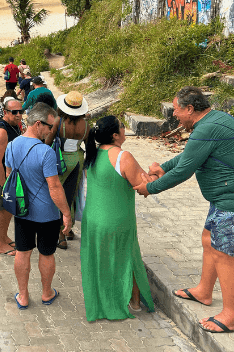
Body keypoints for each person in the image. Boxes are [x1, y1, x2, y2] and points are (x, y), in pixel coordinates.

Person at [134, 86, 234, 333]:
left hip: (229, 201)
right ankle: (204, 291)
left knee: (223, 254)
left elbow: (184, 171)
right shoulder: (215, 119)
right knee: (208, 240)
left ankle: (230, 315)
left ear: (190, 109)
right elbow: (191, 155)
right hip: (221, 198)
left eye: (177, 110)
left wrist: (150, 188)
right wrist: (163, 167)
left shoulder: (206, 128)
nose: (174, 115)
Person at [81, 116, 155, 321]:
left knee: (101, 260)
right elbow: (144, 186)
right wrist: (156, 173)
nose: (124, 129)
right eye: (122, 126)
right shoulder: (123, 156)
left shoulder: (92, 154)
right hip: (117, 220)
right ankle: (135, 302)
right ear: (115, 135)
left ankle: (104, 298)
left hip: (93, 218)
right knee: (127, 257)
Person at [5, 103, 72, 309]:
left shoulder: (11, 145)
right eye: (49, 126)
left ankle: (23, 296)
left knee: (23, 252)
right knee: (46, 253)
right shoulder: (46, 152)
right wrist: (66, 213)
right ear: (37, 124)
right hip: (47, 214)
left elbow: (9, 176)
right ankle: (46, 293)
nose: (51, 131)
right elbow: (54, 187)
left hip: (22, 211)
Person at [45, 92, 89, 249]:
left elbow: (48, 141)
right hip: (78, 160)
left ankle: (60, 235)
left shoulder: (59, 121)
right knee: (72, 194)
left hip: (61, 160)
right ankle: (68, 229)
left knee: (58, 194)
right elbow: (89, 147)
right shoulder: (86, 125)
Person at [0, 97, 23, 255]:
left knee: (8, 209)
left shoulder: (14, 126)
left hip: (10, 176)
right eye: (14, 112)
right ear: (6, 112)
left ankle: (4, 237)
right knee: (1, 209)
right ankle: (0, 244)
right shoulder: (2, 131)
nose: (18, 115)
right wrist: (4, 185)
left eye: (20, 111)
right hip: (2, 178)